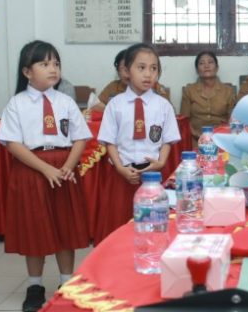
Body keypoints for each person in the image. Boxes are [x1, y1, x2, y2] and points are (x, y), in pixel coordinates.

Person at [0, 40, 91, 312]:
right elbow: (13, 144)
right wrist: (45, 168)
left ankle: (67, 282)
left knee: (65, 226)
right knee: (33, 229)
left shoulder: (66, 102)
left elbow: (80, 137)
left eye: (56, 64)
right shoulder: (17, 104)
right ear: (27, 72)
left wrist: (68, 166)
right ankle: (35, 286)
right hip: (31, 168)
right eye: (45, 64)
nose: (53, 69)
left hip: (63, 167)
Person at [95, 43, 180, 244]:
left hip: (153, 174)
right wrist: (120, 167)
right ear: (126, 71)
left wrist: (161, 162)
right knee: (120, 225)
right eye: (141, 68)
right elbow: (109, 141)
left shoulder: (163, 105)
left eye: (153, 68)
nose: (148, 74)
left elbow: (168, 139)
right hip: (122, 173)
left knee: (152, 227)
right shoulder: (115, 104)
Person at [180, 51, 236, 147]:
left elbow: (232, 121)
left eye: (210, 62)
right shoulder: (189, 90)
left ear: (217, 68)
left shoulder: (228, 91)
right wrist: (199, 136)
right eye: (202, 63)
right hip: (195, 141)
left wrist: (219, 136)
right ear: (197, 70)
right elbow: (184, 121)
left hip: (221, 140)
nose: (206, 66)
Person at [91, 49, 170, 112]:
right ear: (118, 71)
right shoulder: (112, 87)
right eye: (124, 69)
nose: (128, 73)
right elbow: (97, 105)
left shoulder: (153, 86)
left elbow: (167, 109)